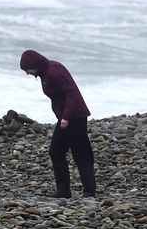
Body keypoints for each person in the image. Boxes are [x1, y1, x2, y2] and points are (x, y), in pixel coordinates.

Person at [20, 50, 96, 198]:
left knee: (81, 154)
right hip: (65, 118)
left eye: (27, 70)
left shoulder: (53, 72)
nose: (28, 73)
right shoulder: (45, 72)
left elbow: (71, 93)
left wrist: (66, 117)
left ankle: (89, 192)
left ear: (34, 65)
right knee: (56, 151)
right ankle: (63, 190)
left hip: (74, 117)